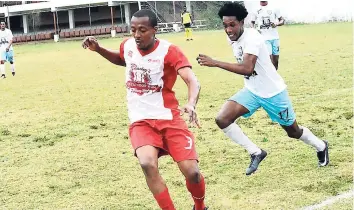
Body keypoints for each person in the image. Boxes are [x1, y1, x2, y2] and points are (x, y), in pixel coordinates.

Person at [82, 9, 207, 210]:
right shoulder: (128, 45)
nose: (137, 35)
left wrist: (191, 103)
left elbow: (192, 80)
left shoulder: (170, 51)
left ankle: (200, 206)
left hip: (169, 117)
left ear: (154, 30)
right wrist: (99, 49)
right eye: (133, 30)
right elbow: (123, 60)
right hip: (141, 120)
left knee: (192, 172)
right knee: (147, 164)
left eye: (142, 30)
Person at [196, 2, 329, 176]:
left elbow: (247, 69)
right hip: (252, 91)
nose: (228, 30)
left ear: (242, 22)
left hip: (273, 93)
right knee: (222, 119)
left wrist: (215, 62)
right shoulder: (233, 37)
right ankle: (256, 152)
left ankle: (321, 145)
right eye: (225, 26)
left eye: (232, 25)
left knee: (293, 131)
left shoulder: (252, 37)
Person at [251, 1, 284, 70]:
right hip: (264, 38)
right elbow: (252, 22)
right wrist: (255, 30)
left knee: (275, 61)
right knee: (268, 59)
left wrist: (276, 24)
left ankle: (274, 76)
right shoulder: (255, 9)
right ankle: (268, 77)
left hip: (275, 38)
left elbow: (282, 20)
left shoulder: (274, 8)